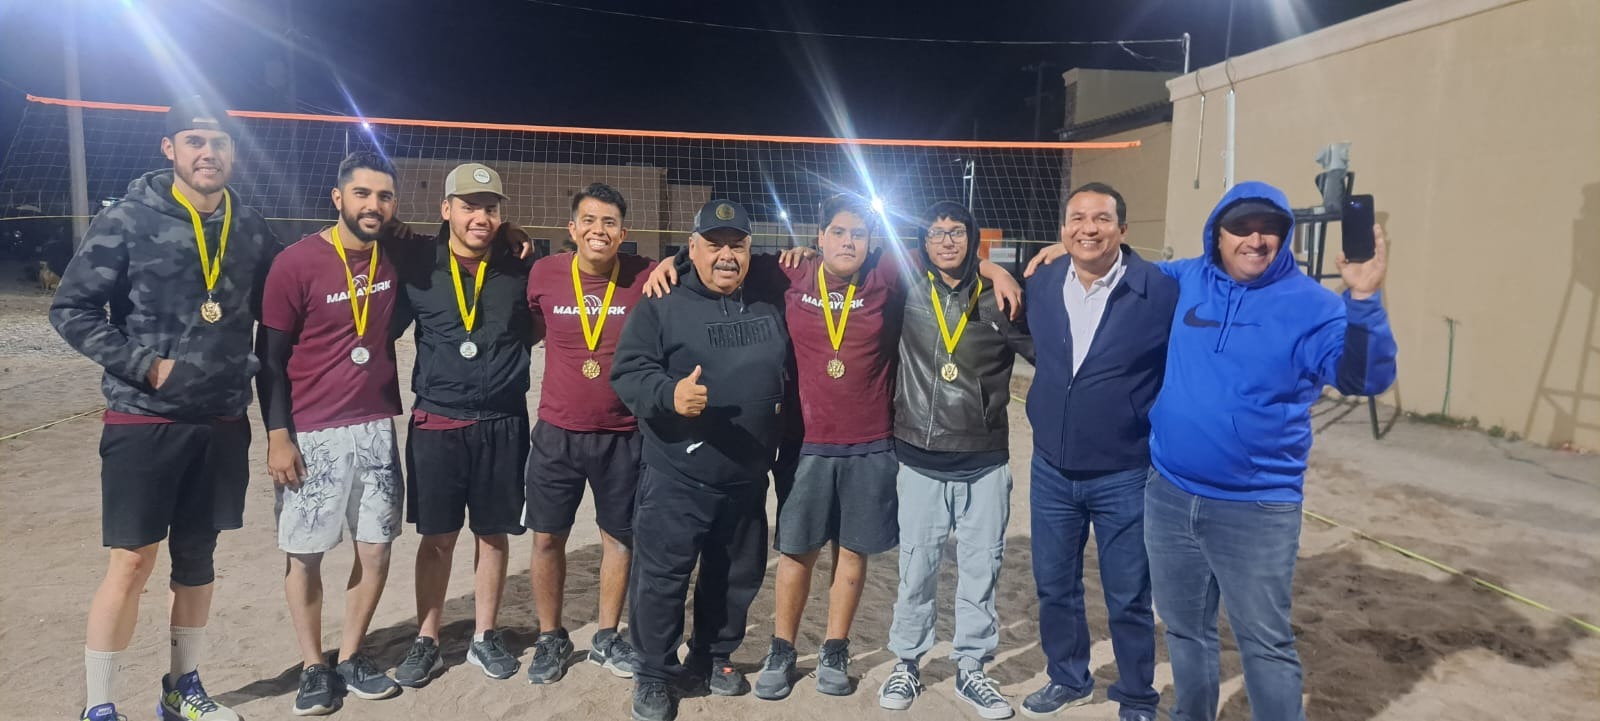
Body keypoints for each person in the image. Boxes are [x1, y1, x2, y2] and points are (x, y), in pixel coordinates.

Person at [1030, 180, 1396, 721]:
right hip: (1172, 493)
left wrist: (1363, 299)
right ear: (1216, 236)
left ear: (1284, 236)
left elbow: (1364, 378)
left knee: (1263, 641)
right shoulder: (1186, 281)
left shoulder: (1313, 304)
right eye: (1240, 228)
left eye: (1267, 229)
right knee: (1185, 631)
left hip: (1257, 505)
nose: (1254, 239)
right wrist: (1069, 246)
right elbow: (1117, 266)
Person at [51, 95, 280, 721]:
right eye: (195, 142)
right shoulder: (128, 218)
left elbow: (290, 302)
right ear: (170, 149)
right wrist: (145, 366)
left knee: (198, 561)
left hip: (222, 421)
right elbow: (70, 310)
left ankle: (183, 689)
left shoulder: (252, 227)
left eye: (221, 143)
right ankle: (100, 705)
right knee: (130, 560)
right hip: (143, 419)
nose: (209, 153)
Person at [611, 200, 791, 721]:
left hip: (747, 475)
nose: (727, 256)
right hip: (678, 474)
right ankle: (652, 672)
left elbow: (816, 260)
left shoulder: (769, 293)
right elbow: (629, 373)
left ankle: (711, 656)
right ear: (692, 248)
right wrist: (669, 395)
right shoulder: (662, 301)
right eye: (714, 245)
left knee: (734, 575)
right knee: (663, 577)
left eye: (737, 245)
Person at [256, 151, 407, 715]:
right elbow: (268, 359)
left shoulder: (394, 258)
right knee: (306, 555)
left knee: (376, 549)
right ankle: (313, 667)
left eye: (385, 196)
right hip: (311, 432)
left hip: (375, 428)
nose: (374, 205)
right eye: (363, 194)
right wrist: (277, 434)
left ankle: (350, 655)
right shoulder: (296, 263)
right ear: (337, 197)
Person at [1019, 183, 1176, 721]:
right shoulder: (1041, 283)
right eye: (1078, 219)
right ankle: (1068, 677)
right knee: (1054, 585)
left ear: (1123, 230)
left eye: (1102, 219)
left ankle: (1135, 695)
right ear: (1063, 230)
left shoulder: (1157, 289)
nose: (1089, 228)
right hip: (1051, 470)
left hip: (1124, 472)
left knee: (1129, 594)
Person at [878, 201, 1033, 720]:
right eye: (936, 234)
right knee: (915, 569)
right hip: (920, 459)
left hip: (984, 460)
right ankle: (907, 662)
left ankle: (972, 670)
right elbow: (843, 260)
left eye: (956, 233)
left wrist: (997, 272)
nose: (946, 241)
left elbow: (1047, 354)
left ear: (972, 240)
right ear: (922, 244)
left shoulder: (1000, 299)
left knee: (980, 571)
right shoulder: (906, 288)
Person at [389, 163, 535, 687]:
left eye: (491, 208)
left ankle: (484, 635)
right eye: (469, 206)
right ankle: (427, 638)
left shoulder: (521, 267)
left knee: (493, 535)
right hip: (439, 420)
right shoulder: (418, 266)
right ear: (446, 209)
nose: (481, 216)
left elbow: (540, 327)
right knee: (437, 538)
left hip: (503, 420)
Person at [521, 182, 653, 683]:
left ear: (625, 232)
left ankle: (605, 636)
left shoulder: (645, 275)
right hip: (557, 431)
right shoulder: (545, 275)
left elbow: (701, 262)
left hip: (622, 432)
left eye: (610, 223)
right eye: (590, 221)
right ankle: (551, 638)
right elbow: (533, 324)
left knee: (619, 540)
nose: (600, 231)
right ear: (572, 229)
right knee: (546, 539)